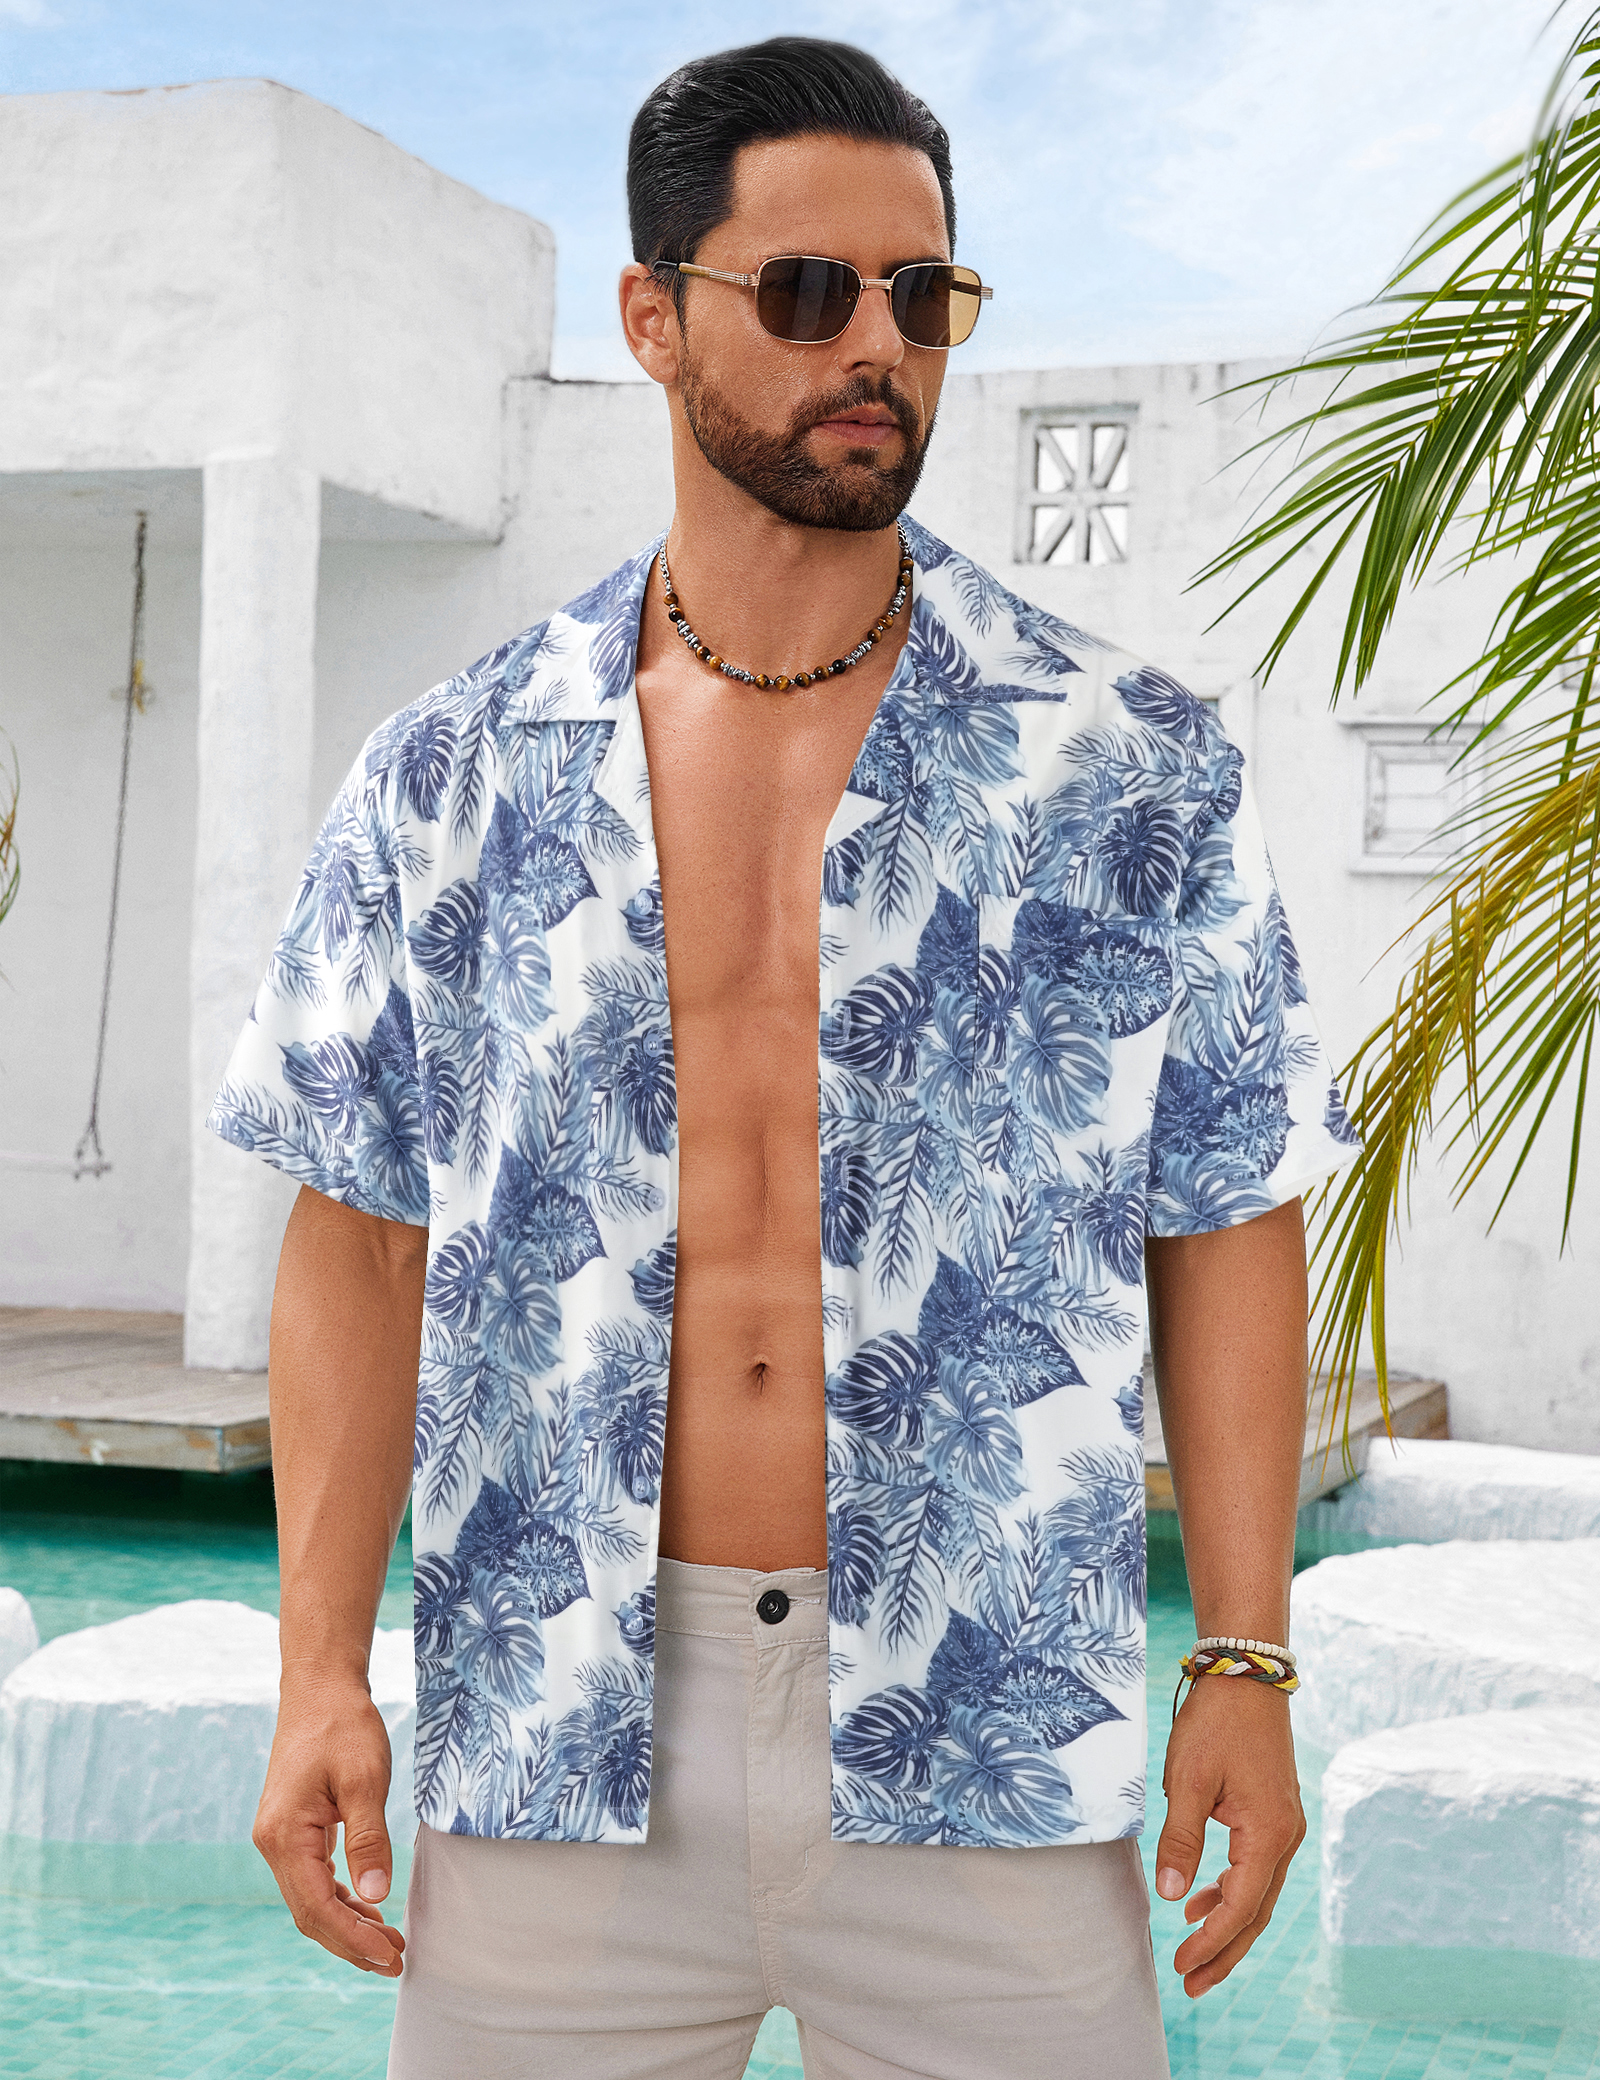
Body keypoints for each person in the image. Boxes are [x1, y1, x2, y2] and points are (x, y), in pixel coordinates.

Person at [212, 35, 1360, 2080]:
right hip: (555, 1721)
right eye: (810, 291)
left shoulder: (1130, 764)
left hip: (988, 1721)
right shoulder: (450, 776)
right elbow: (361, 1239)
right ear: (654, 318)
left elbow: (1224, 1217)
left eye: (923, 295)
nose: (879, 347)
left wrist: (1246, 1654)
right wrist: (319, 1674)